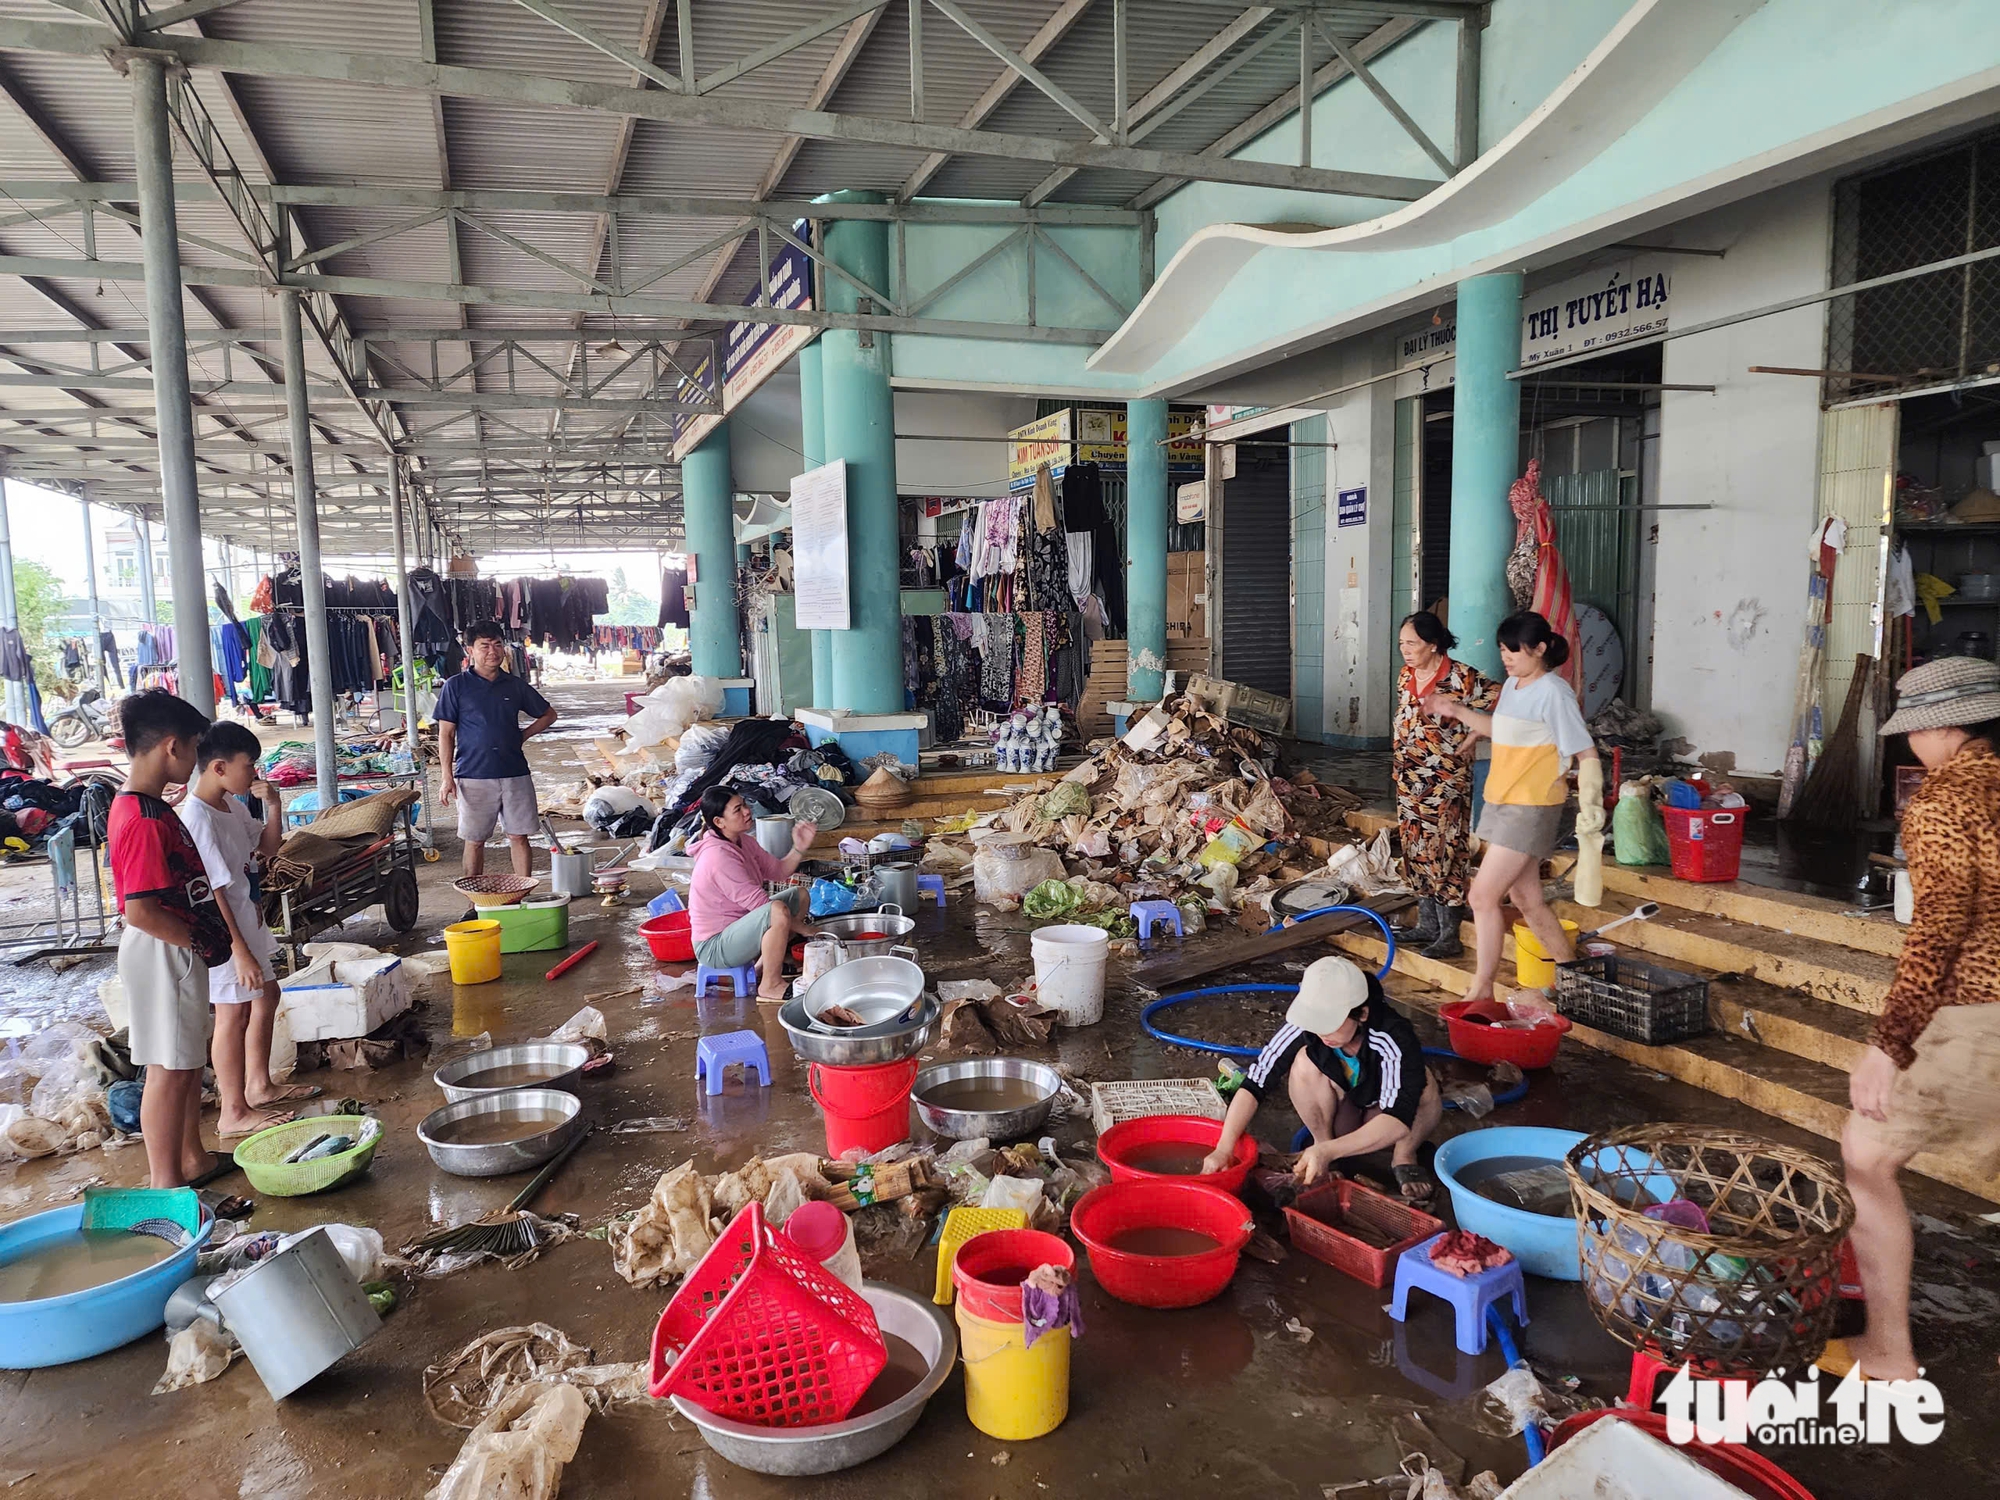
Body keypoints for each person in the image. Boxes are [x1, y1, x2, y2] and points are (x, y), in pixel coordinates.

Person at [1837, 657, 2000, 1380]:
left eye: (1914, 731)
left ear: (1938, 726)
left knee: (1866, 1157)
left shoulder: (1941, 803)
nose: (1911, 746)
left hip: (1979, 1006)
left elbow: (1939, 927)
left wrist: (1888, 1045)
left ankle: (1889, 1354)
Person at [1426, 610, 1599, 1006]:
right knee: (1527, 899)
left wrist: (1592, 803)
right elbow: (1506, 730)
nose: (1506, 657)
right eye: (1503, 649)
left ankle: (1482, 987)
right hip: (1505, 798)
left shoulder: (1555, 693)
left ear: (1539, 649)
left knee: (1483, 897)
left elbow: (1583, 747)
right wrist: (1468, 726)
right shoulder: (1515, 686)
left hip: (1532, 805)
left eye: (1514, 650)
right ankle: (1570, 976)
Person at [107, 690, 234, 1189]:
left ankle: (192, 1159)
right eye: (194, 748)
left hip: (170, 946)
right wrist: (195, 942)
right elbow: (140, 911)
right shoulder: (140, 818)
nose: (195, 760)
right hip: (164, 946)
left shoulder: (147, 805)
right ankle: (166, 1184)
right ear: (172, 747)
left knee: (183, 1061)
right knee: (168, 1069)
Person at [1200, 956, 1444, 1203]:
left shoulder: (1392, 1034)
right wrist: (1224, 1148)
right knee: (1304, 1062)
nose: (1322, 1032)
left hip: (1383, 1117)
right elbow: (1255, 1083)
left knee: (1424, 1082)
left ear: (1362, 1014)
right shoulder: (1308, 1026)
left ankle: (1403, 1156)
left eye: (1331, 1023)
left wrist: (1329, 1151)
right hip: (1344, 1116)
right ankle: (1323, 1146)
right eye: (1318, 1023)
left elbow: (1398, 1118)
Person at [180, 720, 318, 1136]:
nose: (254, 774)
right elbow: (214, 890)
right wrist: (236, 948)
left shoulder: (230, 805)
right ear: (218, 767)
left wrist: (274, 804)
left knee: (267, 993)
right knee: (232, 1013)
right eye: (249, 766)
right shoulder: (198, 815)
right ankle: (233, 1110)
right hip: (225, 930)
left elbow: (269, 848)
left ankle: (259, 1086)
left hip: (248, 917)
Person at [1392, 611, 1499, 959]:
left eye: (1412, 643)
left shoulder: (1462, 677)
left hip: (1445, 781)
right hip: (1409, 780)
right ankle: (1427, 925)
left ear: (1433, 644)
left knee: (1446, 849)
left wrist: (1476, 731)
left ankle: (1449, 934)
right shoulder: (1406, 675)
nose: (1405, 650)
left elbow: (1502, 701)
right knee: (1415, 846)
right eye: (1402, 644)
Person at [436, 621, 557, 878]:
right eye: (484, 646)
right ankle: (474, 906)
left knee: (519, 836)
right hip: (473, 774)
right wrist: (447, 777)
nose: (492, 651)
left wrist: (523, 735)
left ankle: (522, 895)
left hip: (514, 772)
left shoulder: (514, 685)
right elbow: (446, 733)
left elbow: (548, 714)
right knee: (475, 840)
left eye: (497, 644)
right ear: (470, 650)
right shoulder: (455, 686)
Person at [689, 787, 818, 1002]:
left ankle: (762, 966)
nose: (747, 812)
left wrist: (799, 847)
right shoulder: (718, 857)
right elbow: (761, 906)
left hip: (738, 929)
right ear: (719, 822)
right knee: (776, 911)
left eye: (744, 805)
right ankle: (770, 985)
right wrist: (810, 931)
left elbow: (778, 872)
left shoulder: (743, 841)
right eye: (737, 810)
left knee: (799, 895)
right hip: (714, 946)